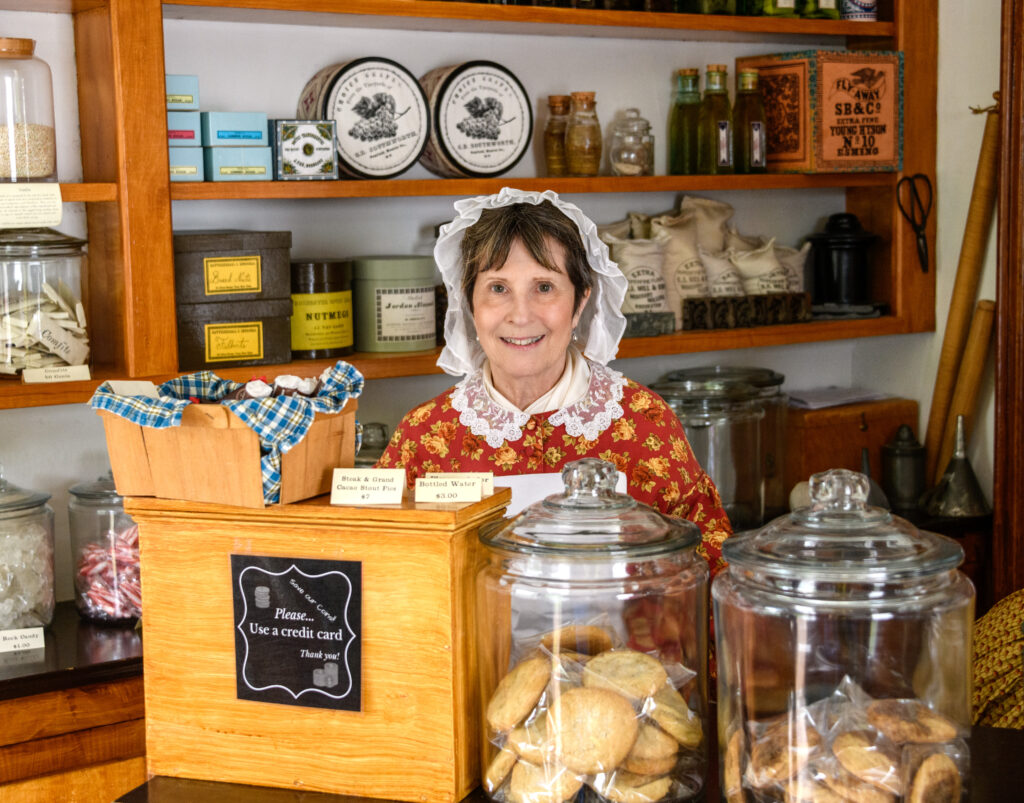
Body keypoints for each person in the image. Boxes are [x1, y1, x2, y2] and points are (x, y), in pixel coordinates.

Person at [377, 188, 732, 573]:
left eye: (544, 287)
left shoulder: (646, 423)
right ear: (470, 304)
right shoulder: (424, 436)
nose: (521, 315)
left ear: (580, 302)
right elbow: (385, 572)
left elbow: (709, 567)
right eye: (498, 288)